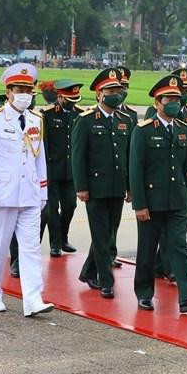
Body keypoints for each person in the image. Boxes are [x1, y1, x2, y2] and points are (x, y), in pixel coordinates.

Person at [0, 64, 53, 316]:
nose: (25, 94)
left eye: (28, 90)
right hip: (1, 195)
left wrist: (42, 191)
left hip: (29, 194)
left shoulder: (36, 119)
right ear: (8, 91)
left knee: (30, 248)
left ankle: (32, 298)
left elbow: (39, 157)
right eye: (19, 89)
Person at [130, 74, 187, 312]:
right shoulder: (143, 131)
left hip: (177, 200)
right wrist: (140, 204)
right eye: (169, 98)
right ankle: (144, 293)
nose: (175, 102)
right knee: (147, 249)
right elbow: (136, 169)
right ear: (158, 102)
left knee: (178, 246)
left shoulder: (184, 129)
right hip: (152, 201)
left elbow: (185, 164)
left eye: (178, 98)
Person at [72, 68, 131, 299]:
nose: (116, 94)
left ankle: (88, 271)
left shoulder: (125, 120)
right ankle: (106, 281)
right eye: (111, 90)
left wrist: (130, 187)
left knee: (108, 235)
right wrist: (81, 187)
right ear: (99, 93)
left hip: (117, 187)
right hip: (95, 189)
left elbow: (128, 157)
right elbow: (78, 156)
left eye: (118, 90)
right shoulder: (86, 120)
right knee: (100, 235)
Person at [143, 67, 187, 281]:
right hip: (158, 183)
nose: (183, 95)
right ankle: (165, 266)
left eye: (185, 90)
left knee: (175, 231)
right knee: (161, 231)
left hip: (180, 179)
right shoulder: (153, 116)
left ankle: (166, 265)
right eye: (179, 91)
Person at [41, 79, 84, 256]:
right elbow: (44, 145)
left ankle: (63, 237)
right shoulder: (48, 115)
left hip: (71, 172)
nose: (72, 104)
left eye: (75, 100)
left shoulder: (80, 115)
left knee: (69, 206)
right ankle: (55, 243)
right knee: (51, 210)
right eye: (69, 100)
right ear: (60, 96)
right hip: (52, 169)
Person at [110, 66, 138, 269]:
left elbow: (132, 152)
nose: (122, 91)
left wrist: (131, 185)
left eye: (125, 86)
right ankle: (101, 262)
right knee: (103, 226)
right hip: (101, 178)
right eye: (118, 87)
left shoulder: (130, 116)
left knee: (115, 222)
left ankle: (110, 253)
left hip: (121, 178)